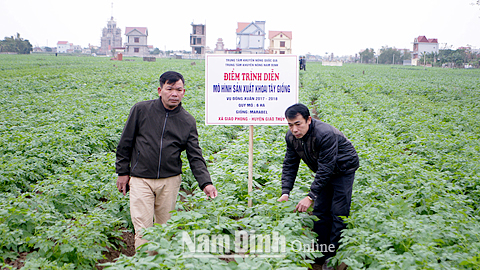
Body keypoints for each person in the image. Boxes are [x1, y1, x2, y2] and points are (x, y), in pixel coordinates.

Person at [116, 71, 218, 250]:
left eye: (178, 89)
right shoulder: (141, 110)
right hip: (141, 179)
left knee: (164, 229)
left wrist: (206, 183)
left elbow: (195, 156)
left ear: (183, 92)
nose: (174, 94)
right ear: (160, 90)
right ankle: (144, 264)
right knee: (143, 230)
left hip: (169, 181)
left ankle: (160, 263)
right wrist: (123, 172)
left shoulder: (187, 121)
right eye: (169, 89)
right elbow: (125, 143)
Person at [277, 103, 359, 269]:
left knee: (339, 212)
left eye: (298, 124)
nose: (294, 129)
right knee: (320, 212)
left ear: (308, 120)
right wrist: (286, 191)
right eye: (290, 125)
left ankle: (333, 256)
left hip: (343, 168)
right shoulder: (292, 137)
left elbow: (327, 168)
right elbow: (290, 163)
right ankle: (321, 252)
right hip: (324, 169)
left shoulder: (325, 134)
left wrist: (310, 196)